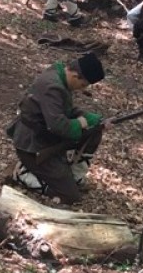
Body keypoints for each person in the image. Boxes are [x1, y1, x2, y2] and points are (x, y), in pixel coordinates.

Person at [7, 52, 106, 205]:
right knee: (70, 196)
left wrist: (91, 119)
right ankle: (23, 174)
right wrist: (80, 123)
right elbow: (57, 125)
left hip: (44, 140)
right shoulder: (53, 86)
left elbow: (66, 110)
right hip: (33, 146)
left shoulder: (59, 77)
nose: (82, 89)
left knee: (94, 131)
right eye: (83, 84)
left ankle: (73, 177)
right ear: (75, 75)